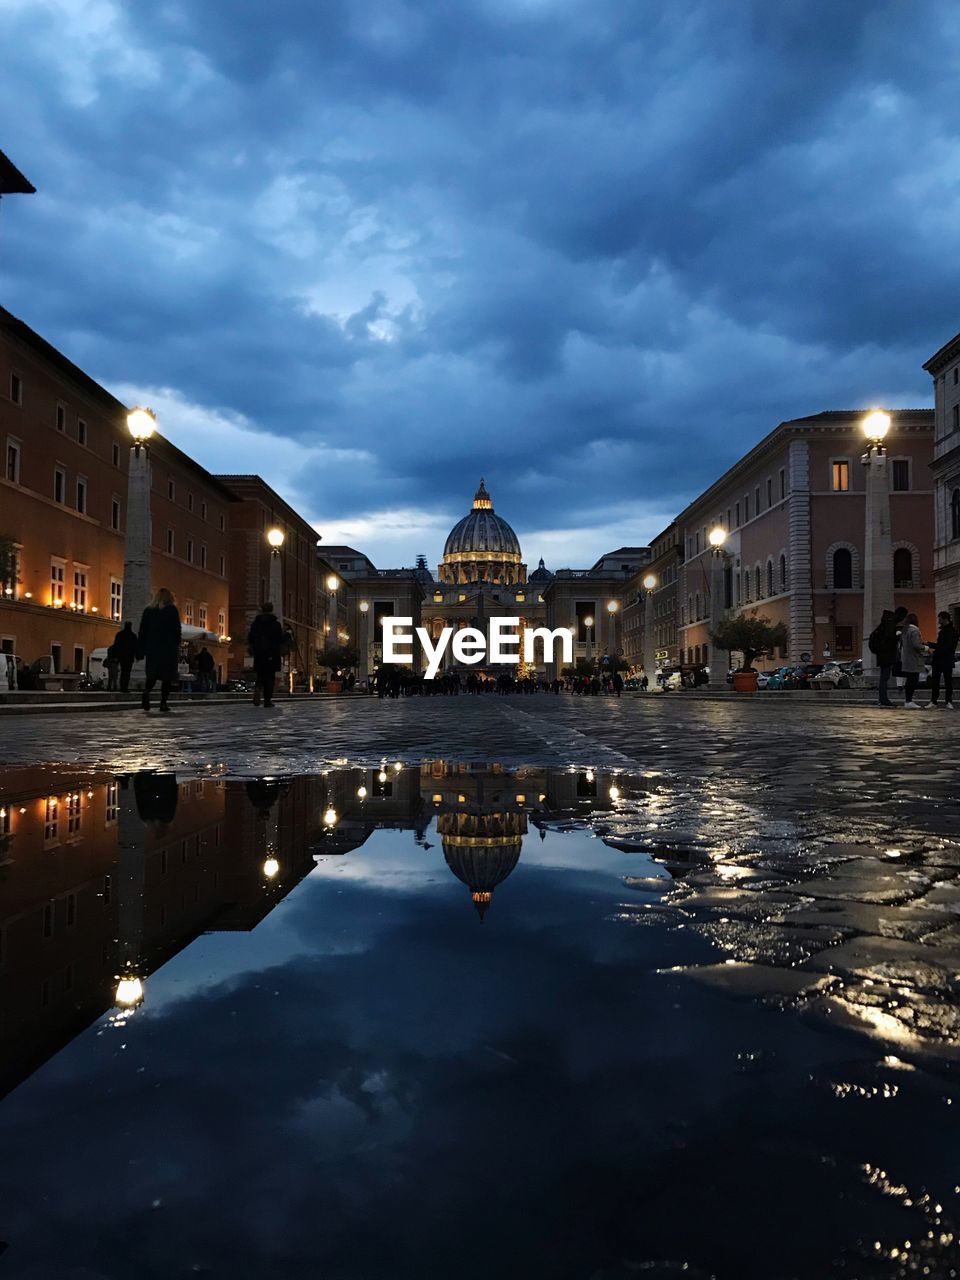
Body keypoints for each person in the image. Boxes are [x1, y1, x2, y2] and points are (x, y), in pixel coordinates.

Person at [138, 587, 182, 714]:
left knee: (152, 675)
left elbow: (142, 631)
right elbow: (176, 629)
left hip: (153, 648)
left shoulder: (148, 610)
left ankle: (146, 692)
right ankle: (163, 703)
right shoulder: (171, 610)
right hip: (168, 648)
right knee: (167, 678)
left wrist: (142, 648)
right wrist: (177, 644)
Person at [870, 605, 907, 707]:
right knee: (884, 678)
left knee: (884, 678)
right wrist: (898, 636)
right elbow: (890, 638)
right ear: (901, 615)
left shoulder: (886, 622)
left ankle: (882, 699)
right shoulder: (890, 623)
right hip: (886, 654)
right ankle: (883, 699)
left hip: (883, 653)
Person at [248, 602, 283, 707]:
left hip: (259, 654)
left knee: (260, 675)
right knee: (269, 678)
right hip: (272, 654)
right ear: (271, 610)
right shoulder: (275, 624)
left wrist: (255, 648)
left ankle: (258, 688)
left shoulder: (256, 624)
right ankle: (267, 700)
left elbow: (250, 638)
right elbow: (279, 639)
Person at [925, 611, 958, 709]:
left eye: (939, 618)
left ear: (944, 619)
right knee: (936, 681)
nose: (938, 621)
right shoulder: (943, 631)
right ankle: (934, 701)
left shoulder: (952, 632)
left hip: (945, 659)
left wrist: (936, 651)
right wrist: (930, 644)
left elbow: (947, 647)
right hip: (940, 660)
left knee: (948, 682)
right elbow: (940, 645)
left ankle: (948, 701)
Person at [899, 611, 925, 709]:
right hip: (914, 658)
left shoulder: (905, 631)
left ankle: (908, 700)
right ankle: (909, 701)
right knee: (913, 679)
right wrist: (926, 648)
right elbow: (916, 645)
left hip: (905, 658)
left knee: (909, 679)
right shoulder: (914, 631)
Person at [112, 620, 138, 692]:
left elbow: (116, 646)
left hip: (123, 657)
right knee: (127, 672)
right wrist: (136, 655)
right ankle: (124, 687)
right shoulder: (133, 636)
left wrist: (116, 656)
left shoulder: (120, 634)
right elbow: (135, 647)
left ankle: (123, 686)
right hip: (129, 657)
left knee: (124, 672)